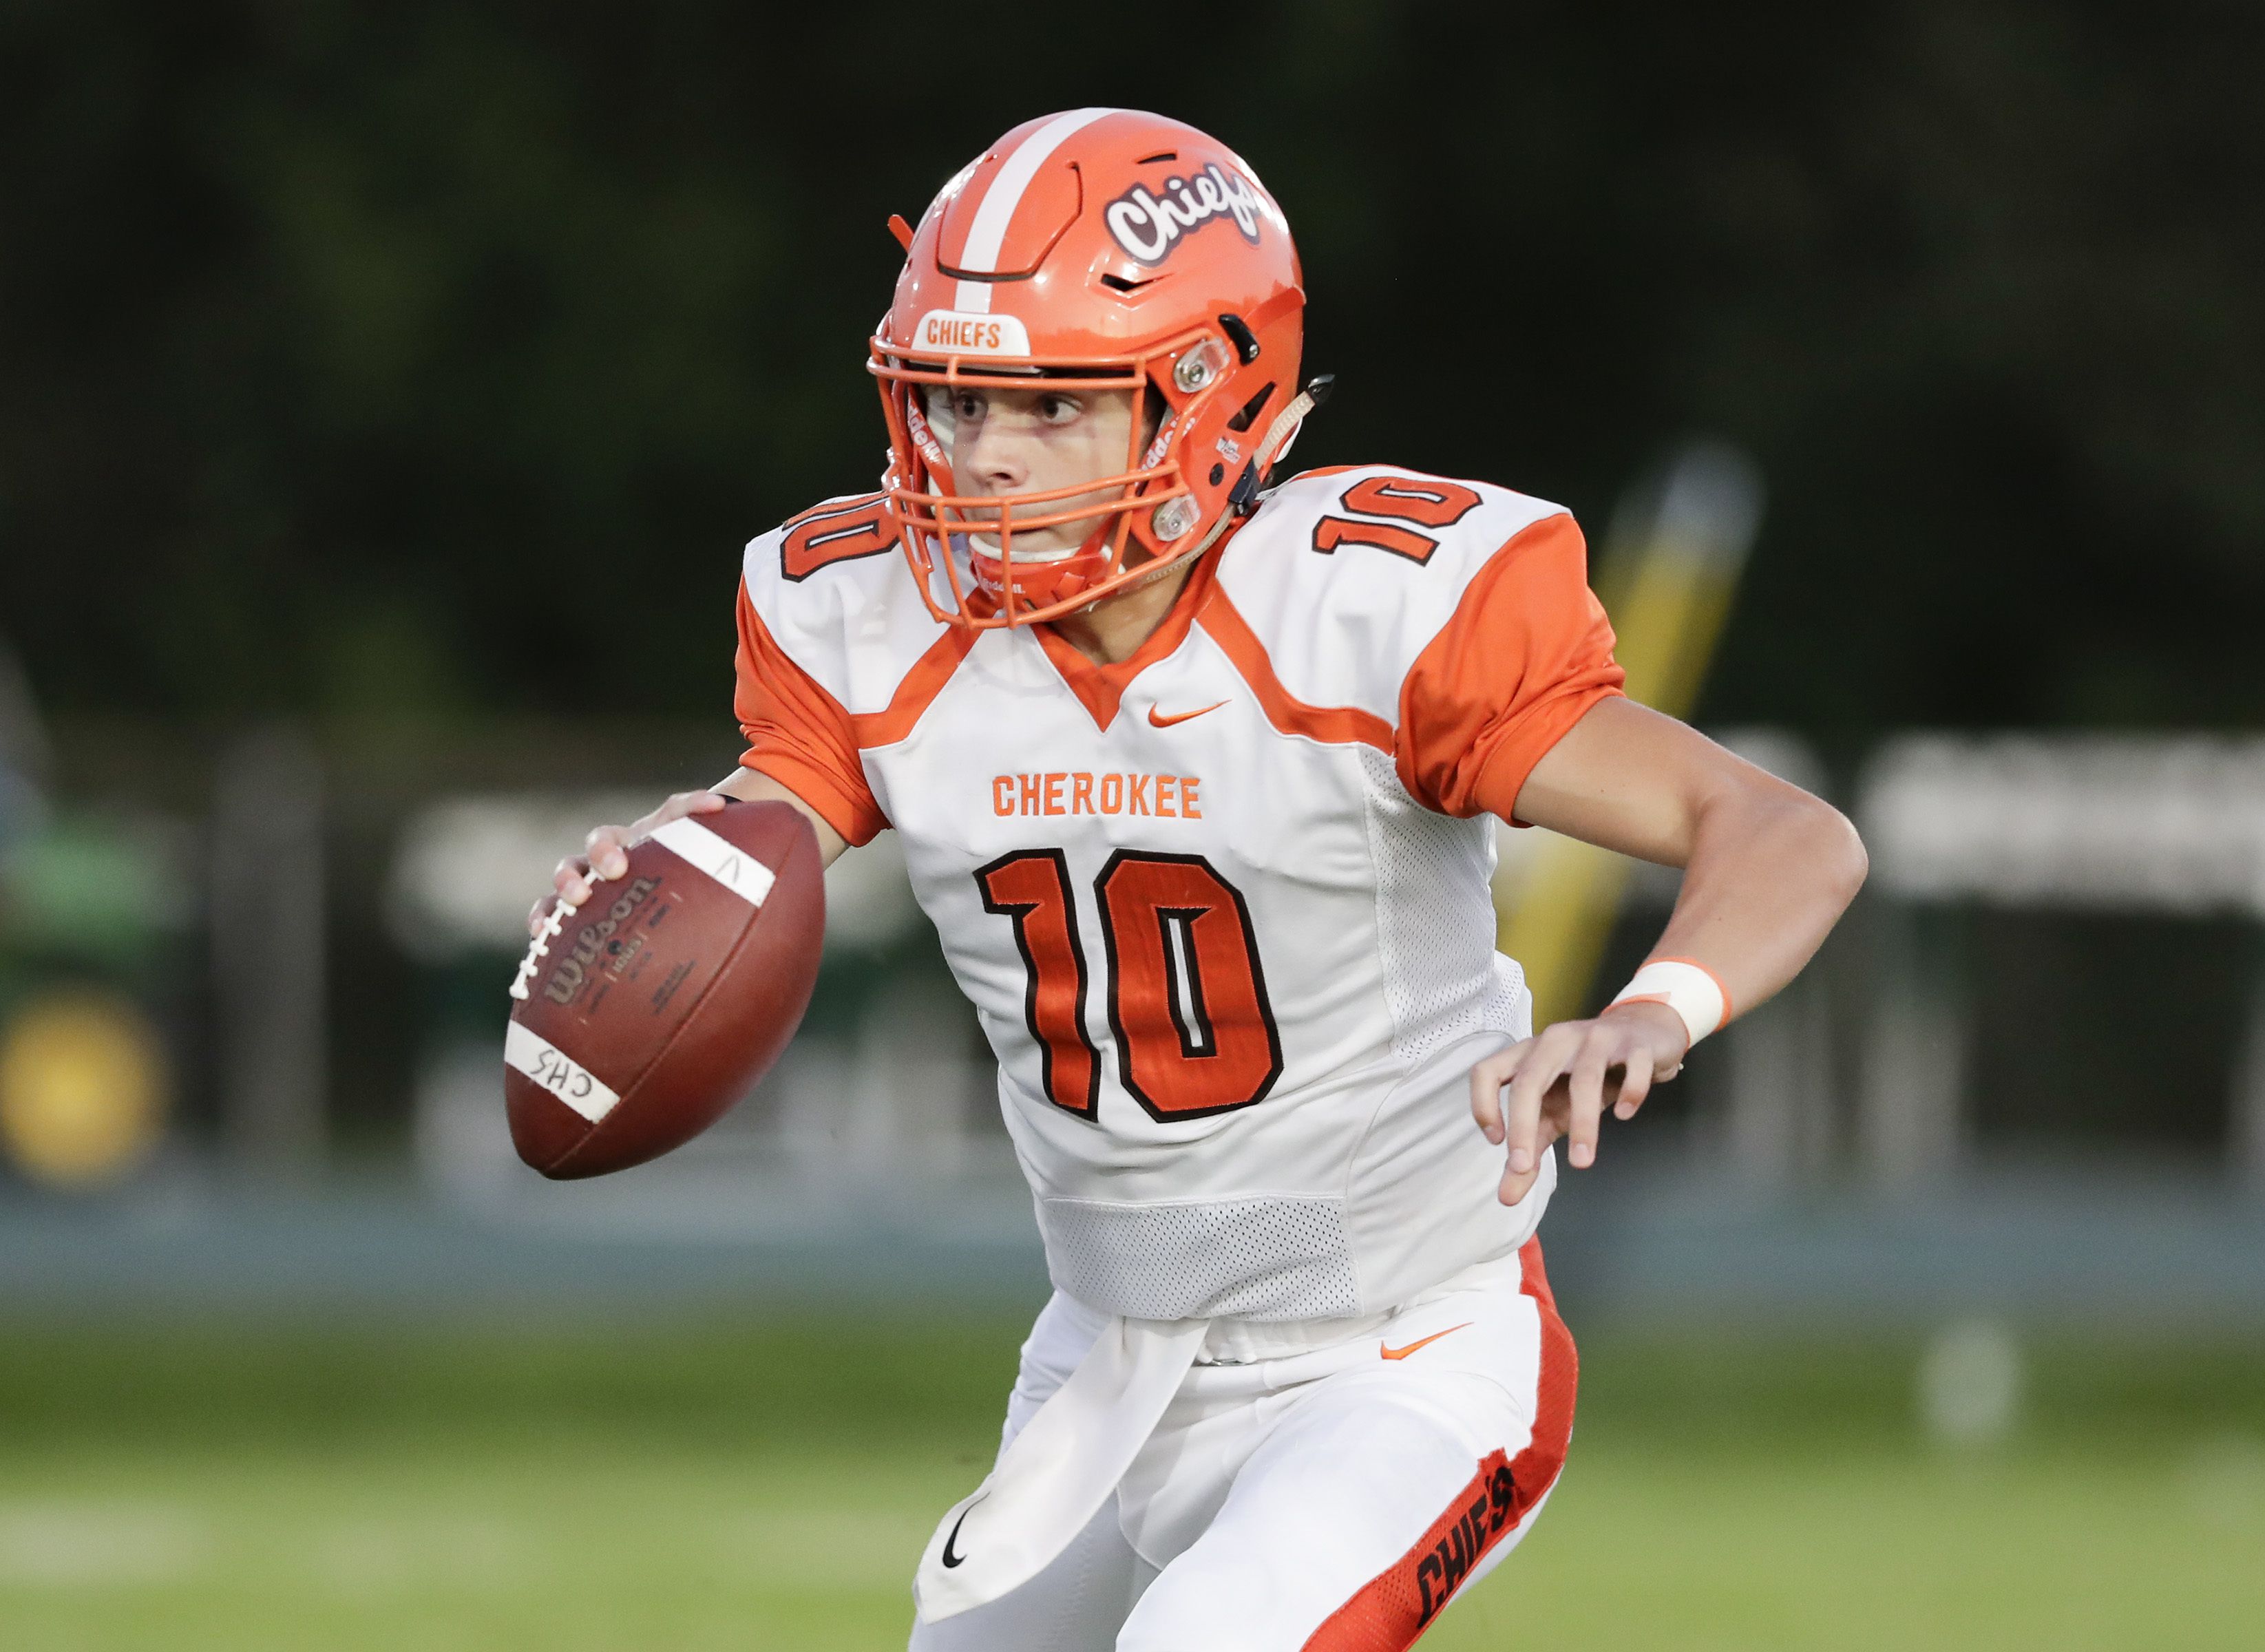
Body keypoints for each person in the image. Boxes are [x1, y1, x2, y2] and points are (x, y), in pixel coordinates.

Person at [534, 109, 1865, 1651]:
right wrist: (666, 869)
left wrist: (1654, 1011)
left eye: (1046, 407)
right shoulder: (857, 611)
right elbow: (762, 823)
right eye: (950, 400)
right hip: (1105, 1359)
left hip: (1403, 1354)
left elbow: (1782, 830)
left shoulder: (1372, 611)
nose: (977, 458)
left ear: (1205, 402)